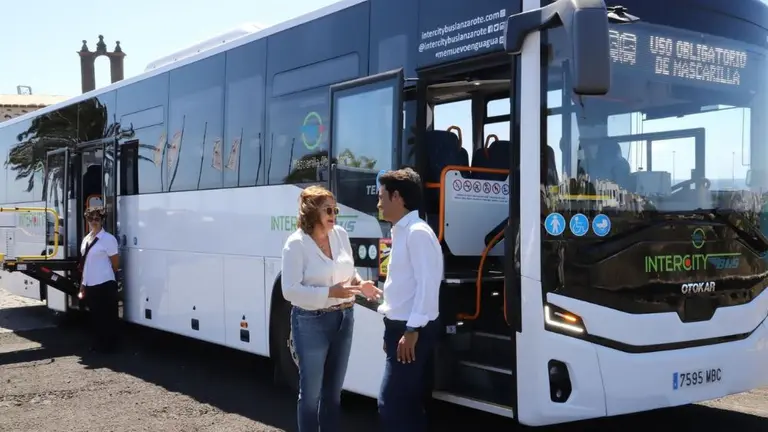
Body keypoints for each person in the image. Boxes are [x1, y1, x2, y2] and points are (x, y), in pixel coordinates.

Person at [281, 185, 382, 432]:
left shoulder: (340, 235)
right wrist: (329, 293)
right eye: (328, 208)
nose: (334, 213)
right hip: (310, 322)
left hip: (344, 318)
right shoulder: (296, 244)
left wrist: (360, 284)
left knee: (333, 395)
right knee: (310, 396)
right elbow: (289, 291)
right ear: (312, 211)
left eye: (335, 208)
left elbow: (349, 271)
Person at [376, 168, 443, 432]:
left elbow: (428, 286)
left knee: (390, 403)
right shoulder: (402, 231)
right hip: (400, 329)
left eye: (382, 196)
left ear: (397, 197)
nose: (378, 202)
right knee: (407, 404)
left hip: (411, 331)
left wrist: (412, 330)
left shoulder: (417, 233)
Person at [78, 206, 120, 353]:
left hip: (105, 283)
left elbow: (115, 263)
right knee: (95, 317)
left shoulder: (108, 239)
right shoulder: (86, 239)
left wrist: (105, 274)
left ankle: (109, 347)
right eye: (91, 218)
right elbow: (86, 264)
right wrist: (83, 284)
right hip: (90, 284)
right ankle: (98, 345)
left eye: (97, 219)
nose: (93, 221)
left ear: (102, 220)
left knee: (107, 317)